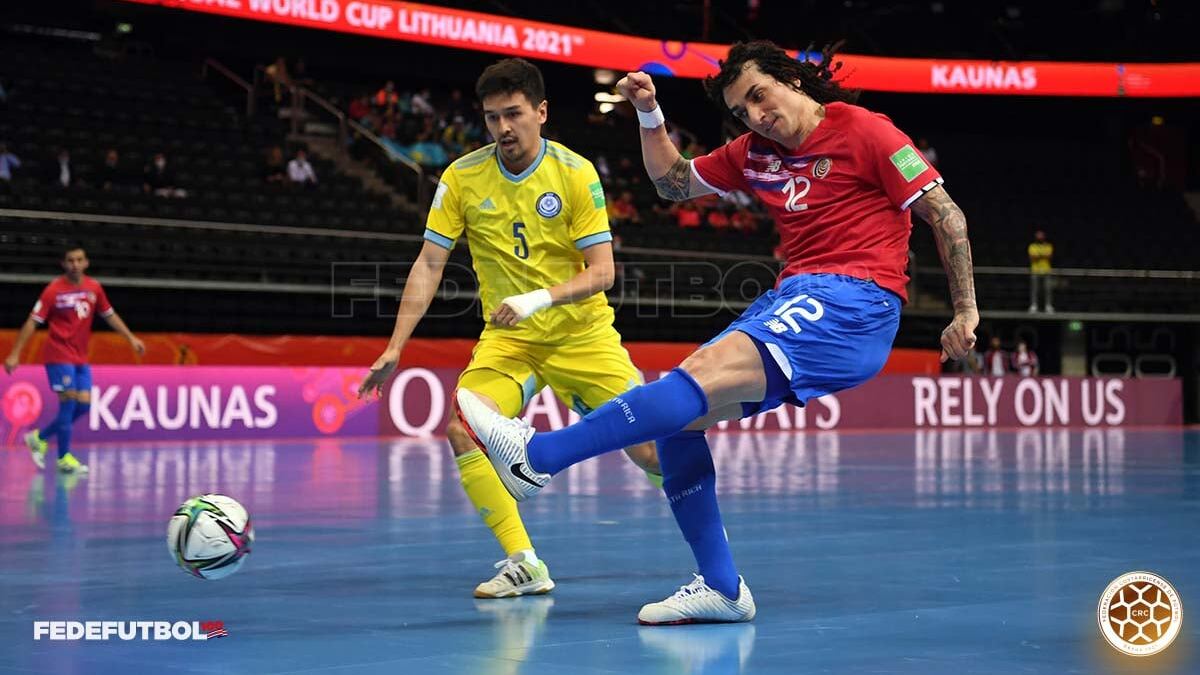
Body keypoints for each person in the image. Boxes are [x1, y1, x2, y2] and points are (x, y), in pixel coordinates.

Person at [455, 40, 979, 625]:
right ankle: (722, 586)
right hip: (794, 296)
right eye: (741, 110)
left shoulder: (866, 130)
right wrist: (651, 115)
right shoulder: (755, 152)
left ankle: (538, 457)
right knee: (680, 418)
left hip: (854, 299)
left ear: (792, 81)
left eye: (759, 96)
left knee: (694, 379)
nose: (755, 115)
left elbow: (946, 214)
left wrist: (964, 311)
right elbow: (674, 182)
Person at [356, 58, 661, 600]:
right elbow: (429, 263)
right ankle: (524, 562)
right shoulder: (462, 177)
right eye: (492, 118)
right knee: (461, 428)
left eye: (514, 115)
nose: (503, 129)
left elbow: (603, 273)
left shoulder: (574, 172)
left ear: (541, 112)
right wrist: (395, 346)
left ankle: (715, 555)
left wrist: (538, 298)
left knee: (653, 453)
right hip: (510, 341)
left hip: (581, 336)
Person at [4, 245, 145, 473]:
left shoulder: (94, 288)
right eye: (70, 260)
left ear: (86, 262)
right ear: (63, 264)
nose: (75, 265)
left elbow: (109, 315)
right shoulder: (53, 290)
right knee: (68, 404)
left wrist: (131, 338)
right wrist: (15, 353)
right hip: (58, 355)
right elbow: (32, 322)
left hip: (80, 357)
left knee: (84, 405)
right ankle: (64, 458)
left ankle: (39, 437)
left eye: (79, 260)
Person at [1028, 229, 1053, 313]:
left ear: (1044, 237)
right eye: (1038, 236)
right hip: (1035, 271)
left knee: (1047, 289)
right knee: (1035, 290)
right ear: (1035, 237)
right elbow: (1032, 257)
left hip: (1046, 271)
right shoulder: (1032, 246)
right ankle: (1034, 306)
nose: (1040, 237)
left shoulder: (1048, 246)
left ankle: (1048, 306)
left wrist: (1038, 255)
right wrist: (1043, 255)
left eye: (1041, 236)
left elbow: (1049, 256)